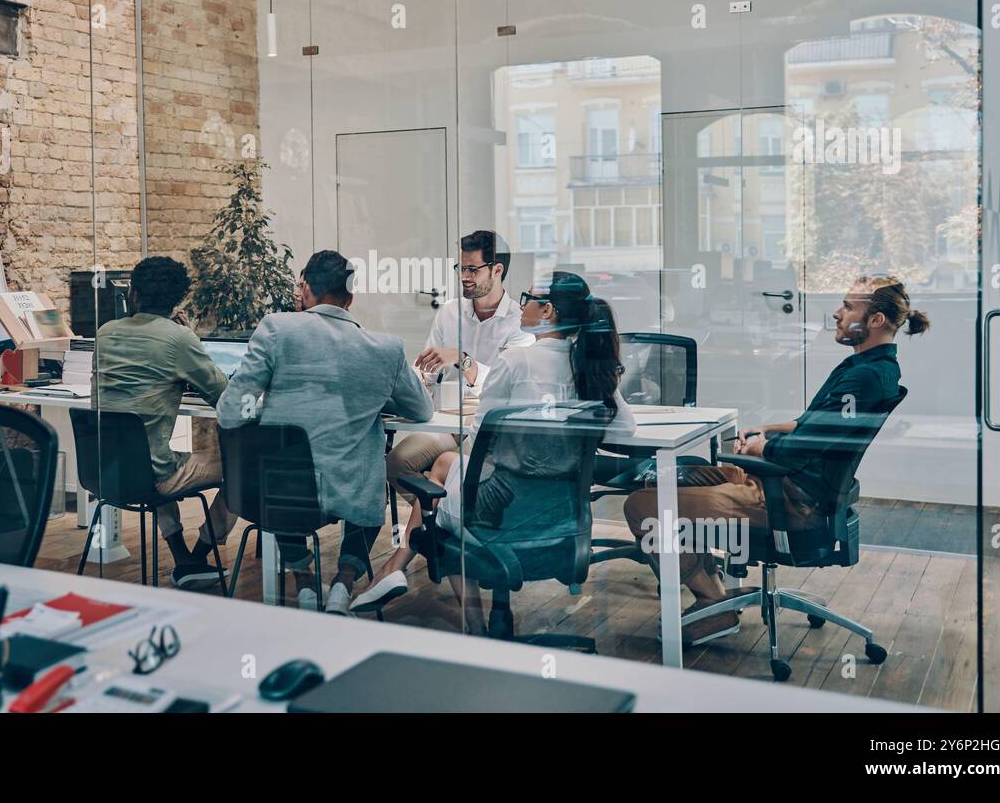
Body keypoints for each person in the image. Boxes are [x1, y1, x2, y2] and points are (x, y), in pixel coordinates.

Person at [623, 275, 928, 645]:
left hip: (790, 498)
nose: (837, 313)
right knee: (668, 479)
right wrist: (765, 430)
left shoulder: (865, 377)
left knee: (642, 506)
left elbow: (805, 447)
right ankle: (715, 595)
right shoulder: (863, 366)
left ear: (876, 320)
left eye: (848, 307)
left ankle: (712, 601)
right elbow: (810, 426)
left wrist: (762, 449)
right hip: (786, 481)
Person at [353, 271, 637, 622]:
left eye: (527, 299)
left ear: (548, 311)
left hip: (502, 511)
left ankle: (460, 617)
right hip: (560, 517)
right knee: (443, 467)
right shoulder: (591, 368)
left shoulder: (517, 362)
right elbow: (626, 427)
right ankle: (396, 571)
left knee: (436, 498)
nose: (521, 306)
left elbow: (479, 436)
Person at [216, 249, 433, 614]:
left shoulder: (275, 328)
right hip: (348, 487)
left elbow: (229, 411)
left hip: (278, 491)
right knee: (374, 490)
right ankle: (343, 582)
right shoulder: (384, 348)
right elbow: (421, 409)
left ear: (306, 290)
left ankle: (302, 579)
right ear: (350, 298)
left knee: (280, 478)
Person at [94, 256, 238, 588]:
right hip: (153, 474)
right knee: (243, 471)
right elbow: (225, 399)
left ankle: (183, 557)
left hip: (104, 468)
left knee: (152, 451)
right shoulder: (178, 339)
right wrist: (188, 339)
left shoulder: (105, 333)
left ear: (133, 293)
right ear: (177, 300)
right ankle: (200, 555)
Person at [384, 230, 533, 514]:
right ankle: (439, 528)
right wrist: (418, 383)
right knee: (396, 464)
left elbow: (507, 384)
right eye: (461, 268)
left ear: (497, 269)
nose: (464, 275)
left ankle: (443, 530)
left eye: (472, 269)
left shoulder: (520, 321)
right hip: (448, 424)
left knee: (459, 476)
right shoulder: (449, 312)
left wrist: (462, 359)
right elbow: (425, 368)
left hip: (487, 430)